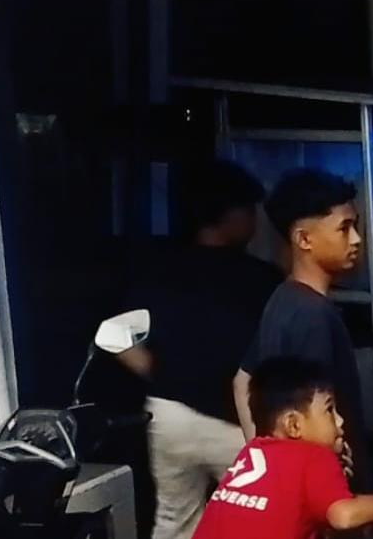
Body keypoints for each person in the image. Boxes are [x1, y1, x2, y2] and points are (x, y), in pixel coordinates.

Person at [115, 160, 285, 539]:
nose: (255, 221)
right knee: (259, 518)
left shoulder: (160, 269)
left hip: (168, 416)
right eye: (249, 210)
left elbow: (115, 338)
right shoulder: (260, 279)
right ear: (230, 214)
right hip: (235, 423)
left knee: (175, 522)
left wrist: (162, 376)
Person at [193, 356, 373, 539]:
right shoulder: (311, 454)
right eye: (329, 410)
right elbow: (343, 515)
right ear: (294, 425)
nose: (340, 421)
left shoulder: (251, 454)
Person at [235, 169, 373, 491]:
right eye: (344, 228)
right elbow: (314, 419)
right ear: (304, 239)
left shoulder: (283, 297)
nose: (356, 239)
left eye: (355, 226)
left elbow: (242, 380)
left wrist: (265, 456)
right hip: (329, 492)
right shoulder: (313, 315)